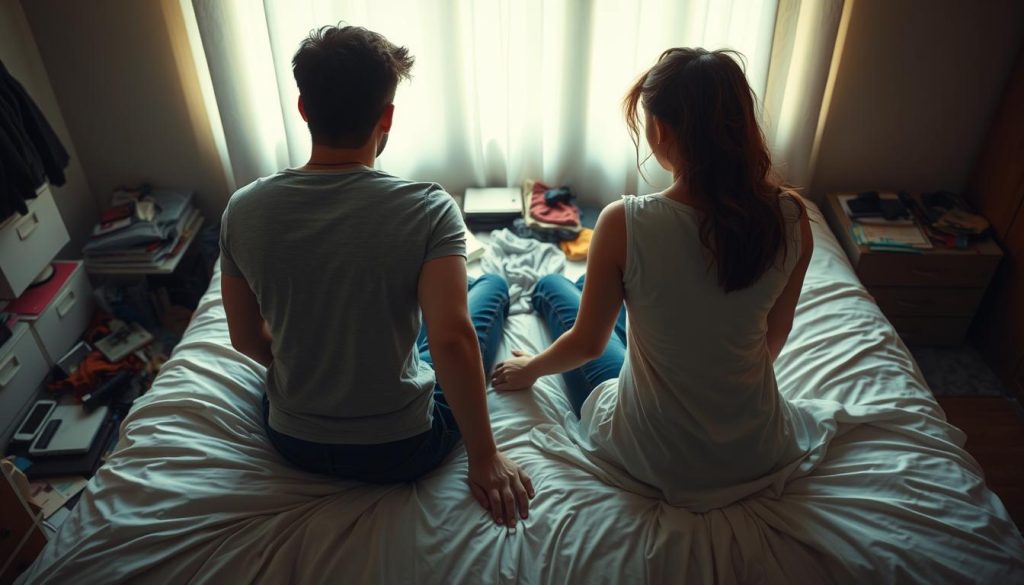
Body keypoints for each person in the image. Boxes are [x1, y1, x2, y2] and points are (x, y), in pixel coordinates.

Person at [219, 25, 533, 527]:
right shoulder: (429, 208)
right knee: (490, 289)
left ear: (303, 109)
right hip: (401, 448)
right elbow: (452, 340)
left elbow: (243, 337)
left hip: (293, 440)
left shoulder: (242, 209)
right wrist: (485, 457)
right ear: (386, 116)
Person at [492, 48, 813, 511]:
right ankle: (601, 294)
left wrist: (532, 368)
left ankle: (556, 289)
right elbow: (772, 340)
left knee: (554, 289)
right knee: (643, 312)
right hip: (754, 447)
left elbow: (586, 344)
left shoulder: (625, 222)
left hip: (657, 452)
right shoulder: (793, 219)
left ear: (660, 129)